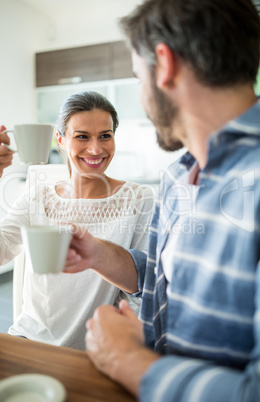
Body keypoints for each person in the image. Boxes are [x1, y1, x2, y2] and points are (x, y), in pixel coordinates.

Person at [63, 0, 260, 400]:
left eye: (138, 77)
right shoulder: (177, 176)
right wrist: (98, 254)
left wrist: (127, 359)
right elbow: (159, 281)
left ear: (164, 64)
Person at [0, 91, 154, 350]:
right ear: (61, 140)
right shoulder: (38, 197)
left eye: (105, 136)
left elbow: (142, 289)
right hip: (30, 339)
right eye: (82, 137)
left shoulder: (139, 199)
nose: (95, 149)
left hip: (97, 349)